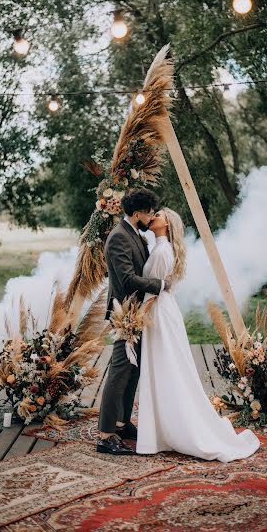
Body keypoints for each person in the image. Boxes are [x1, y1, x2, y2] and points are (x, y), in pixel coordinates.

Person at [137, 208, 260, 462]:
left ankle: (170, 428)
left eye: (157, 215)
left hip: (157, 311)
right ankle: (163, 427)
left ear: (167, 224)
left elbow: (154, 289)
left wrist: (138, 314)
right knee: (166, 366)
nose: (152, 217)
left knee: (165, 366)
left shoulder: (161, 251)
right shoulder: (161, 247)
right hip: (162, 310)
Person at [97, 189, 171, 456]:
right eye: (149, 212)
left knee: (133, 371)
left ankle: (122, 423)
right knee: (119, 372)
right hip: (124, 314)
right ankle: (106, 435)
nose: (151, 216)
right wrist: (161, 284)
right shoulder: (118, 238)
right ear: (137, 213)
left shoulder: (135, 235)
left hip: (138, 313)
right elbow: (127, 279)